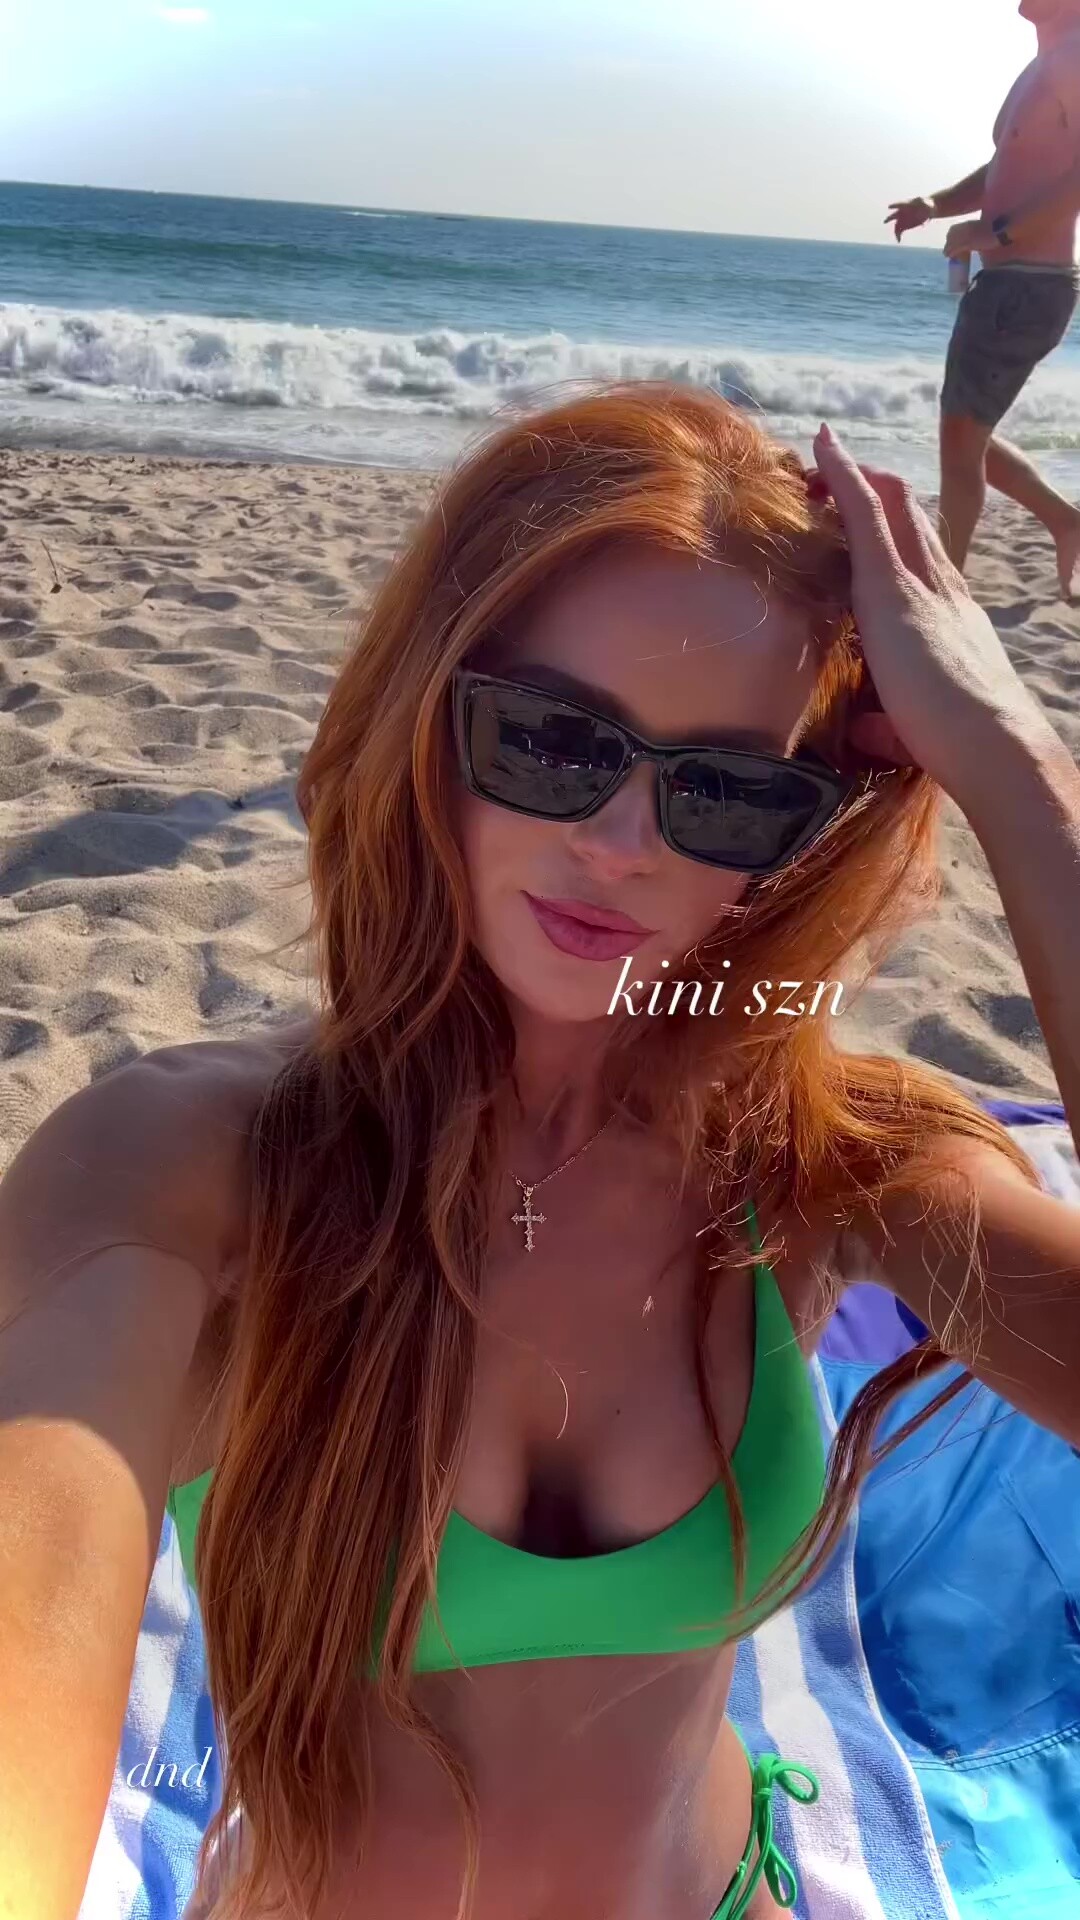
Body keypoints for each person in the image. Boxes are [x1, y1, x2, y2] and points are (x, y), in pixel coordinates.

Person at [2, 384, 1079, 1920]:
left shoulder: (823, 1166)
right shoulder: (197, 1168)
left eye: (725, 792)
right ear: (428, 718)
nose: (624, 845)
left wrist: (1017, 769)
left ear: (801, 830)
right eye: (552, 742)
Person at [887, 0, 1080, 593]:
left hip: (1027, 283)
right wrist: (935, 205)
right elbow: (1005, 166)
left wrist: (996, 234)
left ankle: (942, 590)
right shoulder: (1045, 62)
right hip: (1009, 282)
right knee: (965, 436)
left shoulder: (1074, 55)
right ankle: (1066, 521)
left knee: (959, 443)